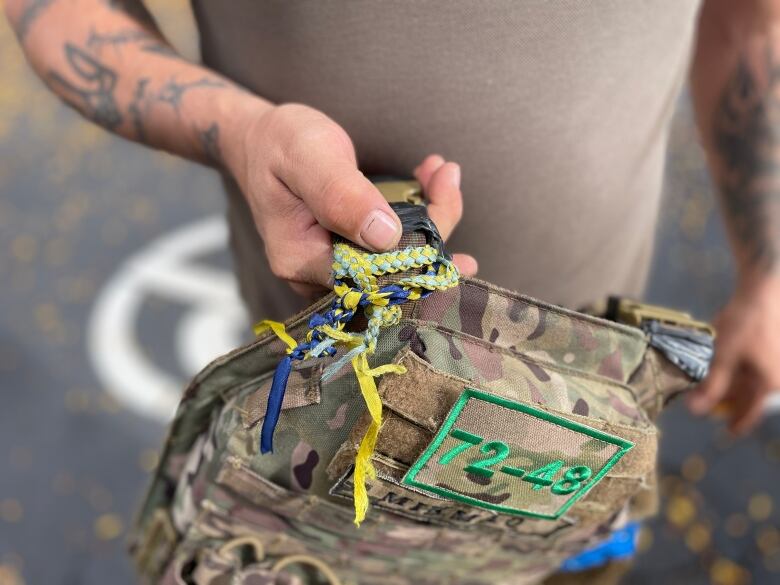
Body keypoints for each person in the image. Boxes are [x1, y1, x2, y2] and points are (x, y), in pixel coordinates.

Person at [5, 0, 779, 439]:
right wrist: (235, 129)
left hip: (585, 407)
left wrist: (770, 267)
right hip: (319, 409)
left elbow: (751, 23)